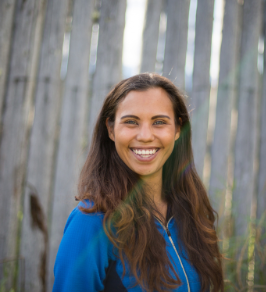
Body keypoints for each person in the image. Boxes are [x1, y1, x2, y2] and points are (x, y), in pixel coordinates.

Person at [52, 73, 224, 292]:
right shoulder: (91, 221)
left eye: (159, 122)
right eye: (131, 122)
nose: (144, 135)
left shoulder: (190, 210)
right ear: (111, 129)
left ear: (178, 129)